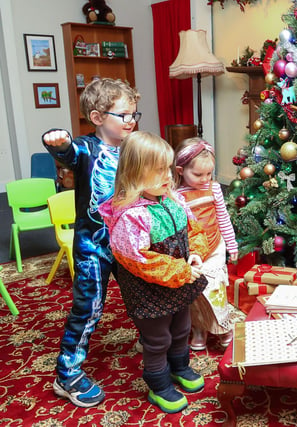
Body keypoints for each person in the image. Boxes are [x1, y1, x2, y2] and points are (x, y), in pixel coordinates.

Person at [42, 77, 141, 408]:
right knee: (89, 308)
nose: (131, 121)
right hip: (92, 247)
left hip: (129, 240)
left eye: (134, 115)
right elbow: (67, 153)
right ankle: (67, 373)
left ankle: (152, 338)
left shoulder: (132, 146)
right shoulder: (86, 149)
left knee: (142, 292)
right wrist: (57, 143)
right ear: (98, 118)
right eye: (123, 115)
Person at [99, 131, 209, 414]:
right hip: (149, 292)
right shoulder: (131, 215)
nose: (167, 176)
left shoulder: (172, 199)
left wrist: (195, 253)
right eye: (158, 170)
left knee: (181, 328)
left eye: (168, 169)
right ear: (135, 173)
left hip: (178, 282)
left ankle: (180, 368)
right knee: (157, 339)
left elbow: (193, 229)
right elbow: (140, 260)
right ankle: (159, 385)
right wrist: (180, 269)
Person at [174, 138, 238, 351]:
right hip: (192, 251)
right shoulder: (175, 195)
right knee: (194, 294)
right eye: (198, 174)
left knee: (216, 290)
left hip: (215, 247)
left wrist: (232, 244)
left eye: (209, 174)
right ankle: (199, 329)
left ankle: (224, 328)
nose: (204, 179)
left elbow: (223, 218)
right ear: (180, 170)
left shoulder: (214, 189)